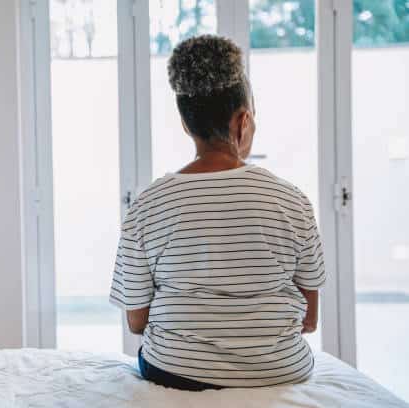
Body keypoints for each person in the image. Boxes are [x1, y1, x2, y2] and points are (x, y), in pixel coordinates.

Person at [109, 35, 325, 390]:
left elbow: (136, 322)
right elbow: (310, 319)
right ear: (243, 121)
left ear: (185, 124)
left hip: (174, 369)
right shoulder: (292, 200)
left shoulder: (147, 205)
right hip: (280, 369)